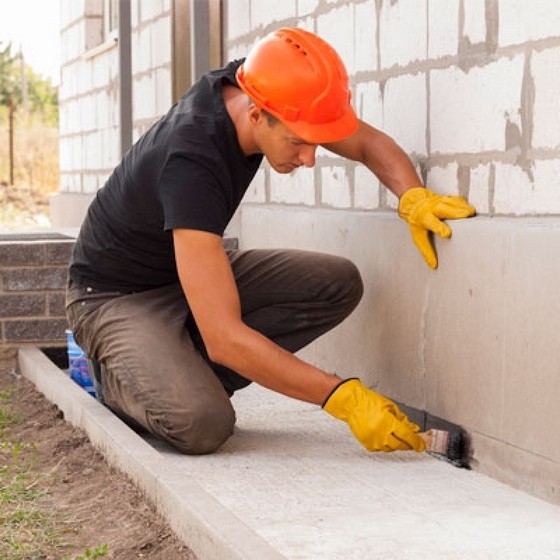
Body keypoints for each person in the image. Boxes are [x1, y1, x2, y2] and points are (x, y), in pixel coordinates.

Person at [66, 27, 475, 456]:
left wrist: (413, 197)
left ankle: (183, 370)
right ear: (256, 114)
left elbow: (367, 143)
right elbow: (224, 338)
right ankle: (121, 379)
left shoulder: (267, 88)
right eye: (299, 143)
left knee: (335, 282)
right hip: (113, 298)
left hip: (180, 276)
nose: (310, 158)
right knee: (202, 423)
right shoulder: (191, 162)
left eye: (315, 142)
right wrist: (342, 397)